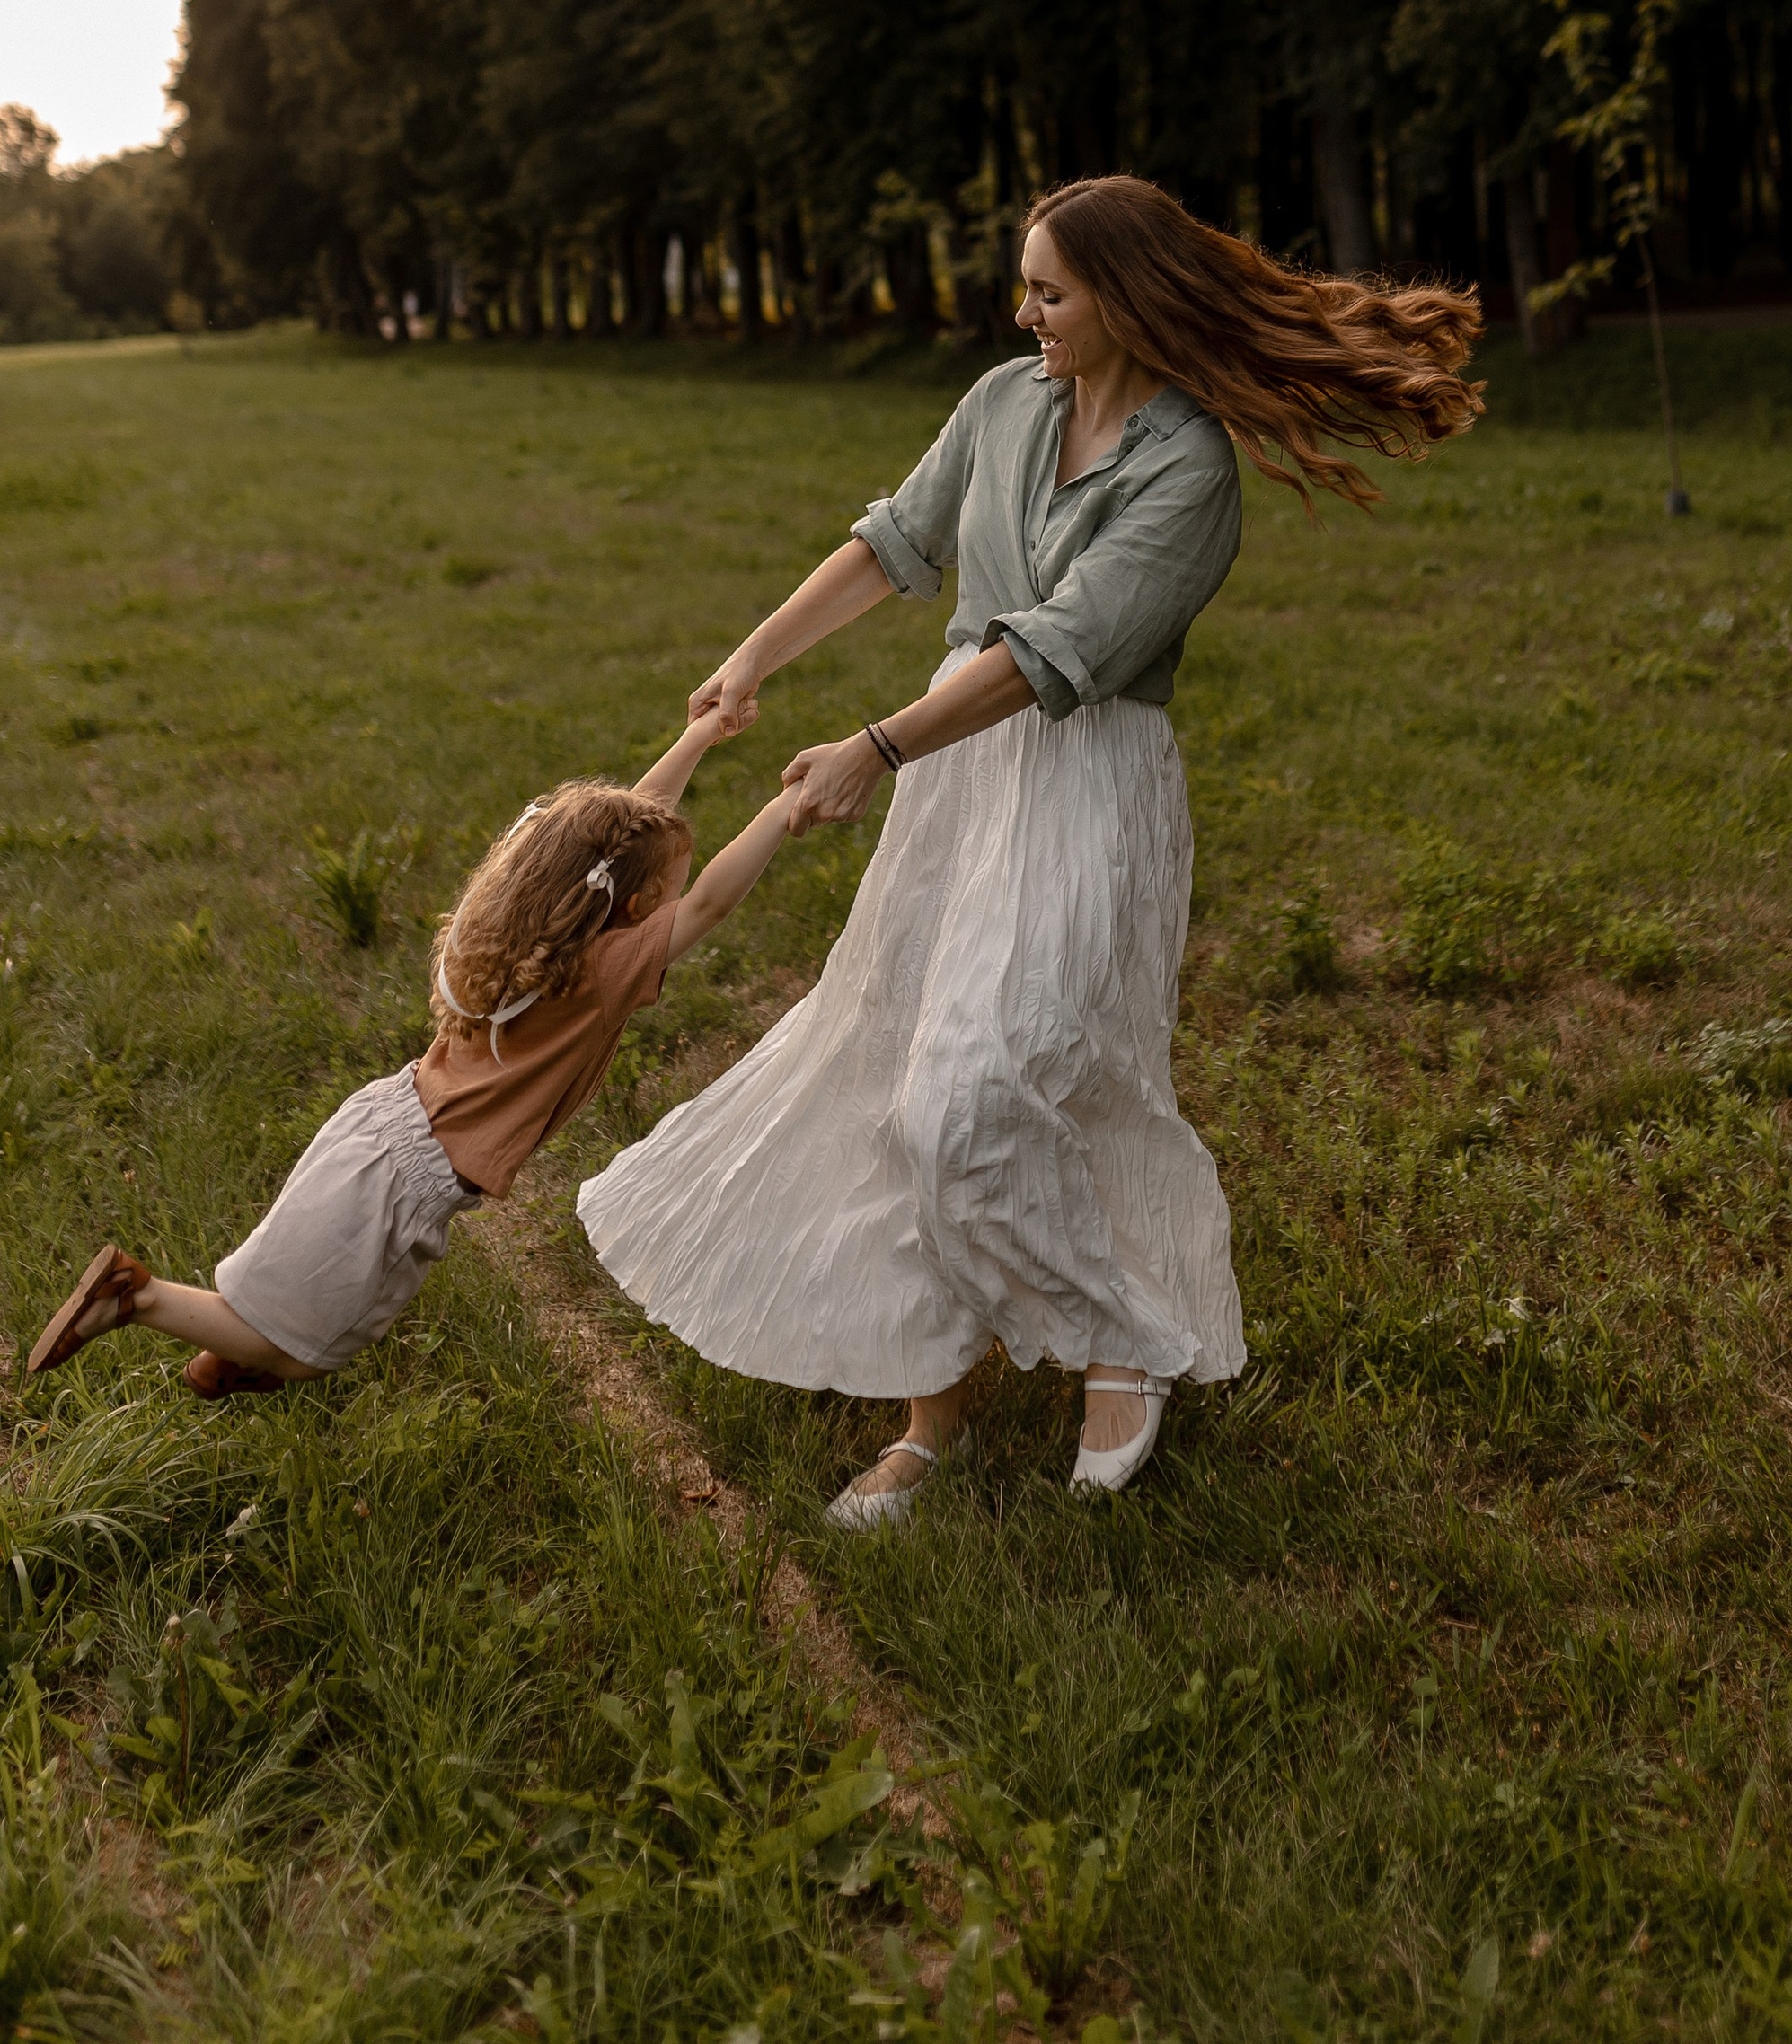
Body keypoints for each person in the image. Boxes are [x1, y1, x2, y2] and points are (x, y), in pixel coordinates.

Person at [578, 172, 1482, 1524]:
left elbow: (1053, 652)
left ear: (1122, 298)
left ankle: (1126, 1334)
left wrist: (873, 749)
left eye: (1050, 289)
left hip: (1083, 782)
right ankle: (928, 1423)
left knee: (986, 1091)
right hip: (954, 780)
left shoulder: (1188, 470)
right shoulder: (1005, 401)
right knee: (902, 1080)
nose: (1025, 310)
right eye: (1029, 286)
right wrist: (753, 655)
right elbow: (897, 544)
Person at [25, 699, 791, 1396]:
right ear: (634, 907)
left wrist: (697, 736)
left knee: (289, 1287)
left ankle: (226, 1349)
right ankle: (139, 1297)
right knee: (308, 1349)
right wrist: (791, 802)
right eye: (666, 892)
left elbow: (617, 832)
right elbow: (714, 899)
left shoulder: (527, 934)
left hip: (377, 1121)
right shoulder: (601, 969)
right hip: (411, 1183)